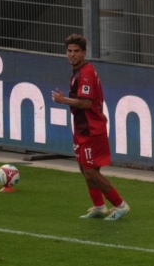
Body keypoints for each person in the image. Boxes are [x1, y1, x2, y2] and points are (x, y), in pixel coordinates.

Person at [51, 34, 131, 221]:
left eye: (76, 51)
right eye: (69, 51)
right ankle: (99, 206)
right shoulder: (79, 72)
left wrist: (63, 100)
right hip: (82, 128)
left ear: (84, 53)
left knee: (91, 172)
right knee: (83, 167)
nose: (72, 55)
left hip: (91, 129)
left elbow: (86, 103)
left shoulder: (86, 73)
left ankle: (120, 205)